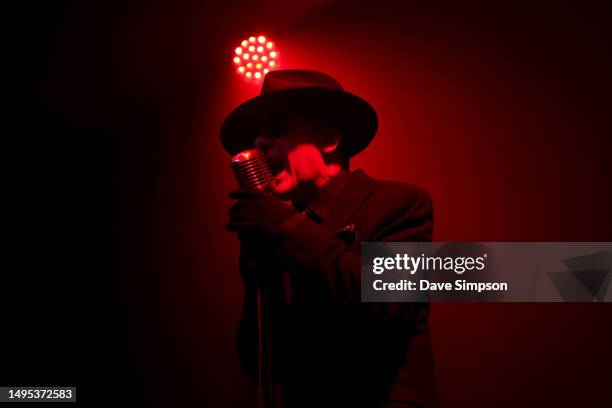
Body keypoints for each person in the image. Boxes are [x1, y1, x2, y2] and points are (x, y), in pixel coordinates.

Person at [221, 70, 437, 407]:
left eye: (276, 129)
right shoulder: (281, 235)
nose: (259, 145)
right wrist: (255, 275)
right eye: (256, 137)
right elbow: (261, 364)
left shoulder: (399, 203)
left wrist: (289, 226)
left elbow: (391, 304)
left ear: (329, 141)